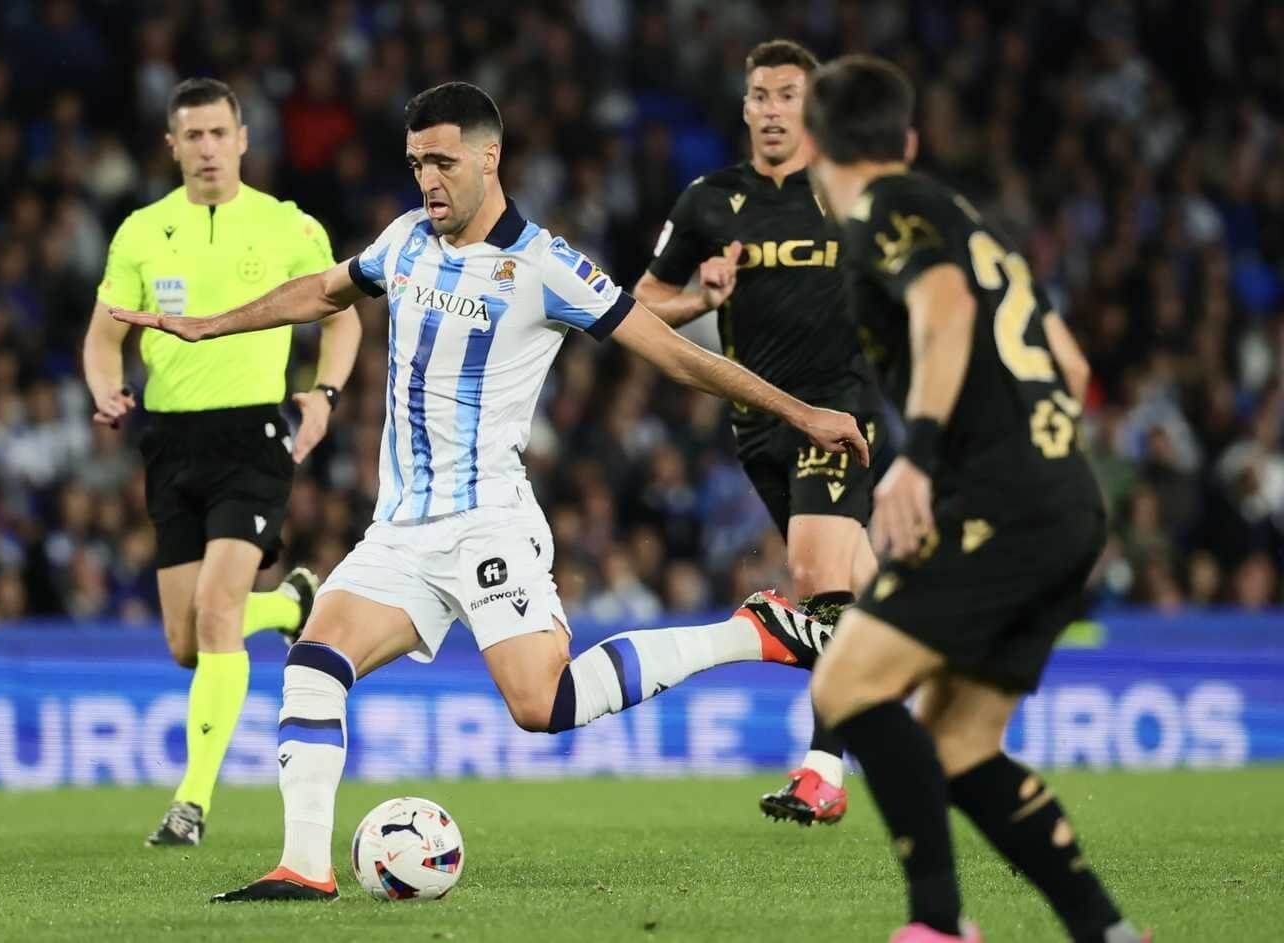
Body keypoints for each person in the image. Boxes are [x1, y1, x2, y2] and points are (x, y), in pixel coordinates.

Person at [111, 81, 867, 902]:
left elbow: (678, 355)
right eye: (414, 164)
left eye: (441, 161)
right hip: (400, 531)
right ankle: (304, 866)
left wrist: (802, 412)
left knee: (545, 703)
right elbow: (327, 289)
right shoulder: (402, 240)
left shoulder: (545, 266)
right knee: (314, 665)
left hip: (487, 525)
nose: (427, 180)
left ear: (487, 157)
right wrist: (211, 322)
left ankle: (749, 633)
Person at [801, 56, 1148, 942]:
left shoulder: (886, 207)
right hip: (1065, 504)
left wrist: (918, 458)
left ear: (814, 147)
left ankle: (940, 923)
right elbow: (1069, 366)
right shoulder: (973, 226)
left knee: (845, 685)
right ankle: (1104, 931)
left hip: (996, 504)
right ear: (907, 138)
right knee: (958, 745)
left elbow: (946, 311)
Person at [81, 78, 363, 848]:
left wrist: (324, 394)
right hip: (170, 442)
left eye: (219, 133)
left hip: (252, 438)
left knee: (213, 612)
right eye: (192, 136)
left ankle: (190, 804)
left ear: (243, 138)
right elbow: (105, 337)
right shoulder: (142, 231)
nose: (207, 148)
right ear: (172, 146)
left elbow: (344, 317)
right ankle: (289, 607)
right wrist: (106, 389)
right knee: (187, 641)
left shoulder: (286, 227)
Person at [635, 38, 881, 825]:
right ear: (743, 107)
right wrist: (700, 296)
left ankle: (823, 771)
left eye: (788, 96)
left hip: (838, 413)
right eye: (761, 96)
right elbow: (640, 307)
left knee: (815, 577)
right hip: (757, 425)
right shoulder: (709, 200)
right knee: (862, 604)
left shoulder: (850, 190)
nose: (774, 110)